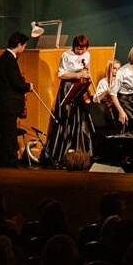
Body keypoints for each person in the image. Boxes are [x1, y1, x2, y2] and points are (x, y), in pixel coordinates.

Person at [44, 34, 95, 166]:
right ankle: (62, 153)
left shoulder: (87, 55)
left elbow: (86, 69)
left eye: (83, 49)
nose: (81, 52)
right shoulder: (66, 55)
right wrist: (78, 74)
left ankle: (81, 154)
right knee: (66, 117)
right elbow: (61, 74)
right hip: (68, 86)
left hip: (80, 86)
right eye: (79, 49)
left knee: (80, 119)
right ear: (74, 47)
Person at [0, 31, 32, 167]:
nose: (24, 49)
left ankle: (6, 162)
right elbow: (16, 83)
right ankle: (11, 163)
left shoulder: (4, 58)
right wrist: (28, 86)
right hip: (8, 105)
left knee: (7, 134)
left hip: (4, 104)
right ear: (19, 45)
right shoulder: (9, 59)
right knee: (9, 135)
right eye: (24, 46)